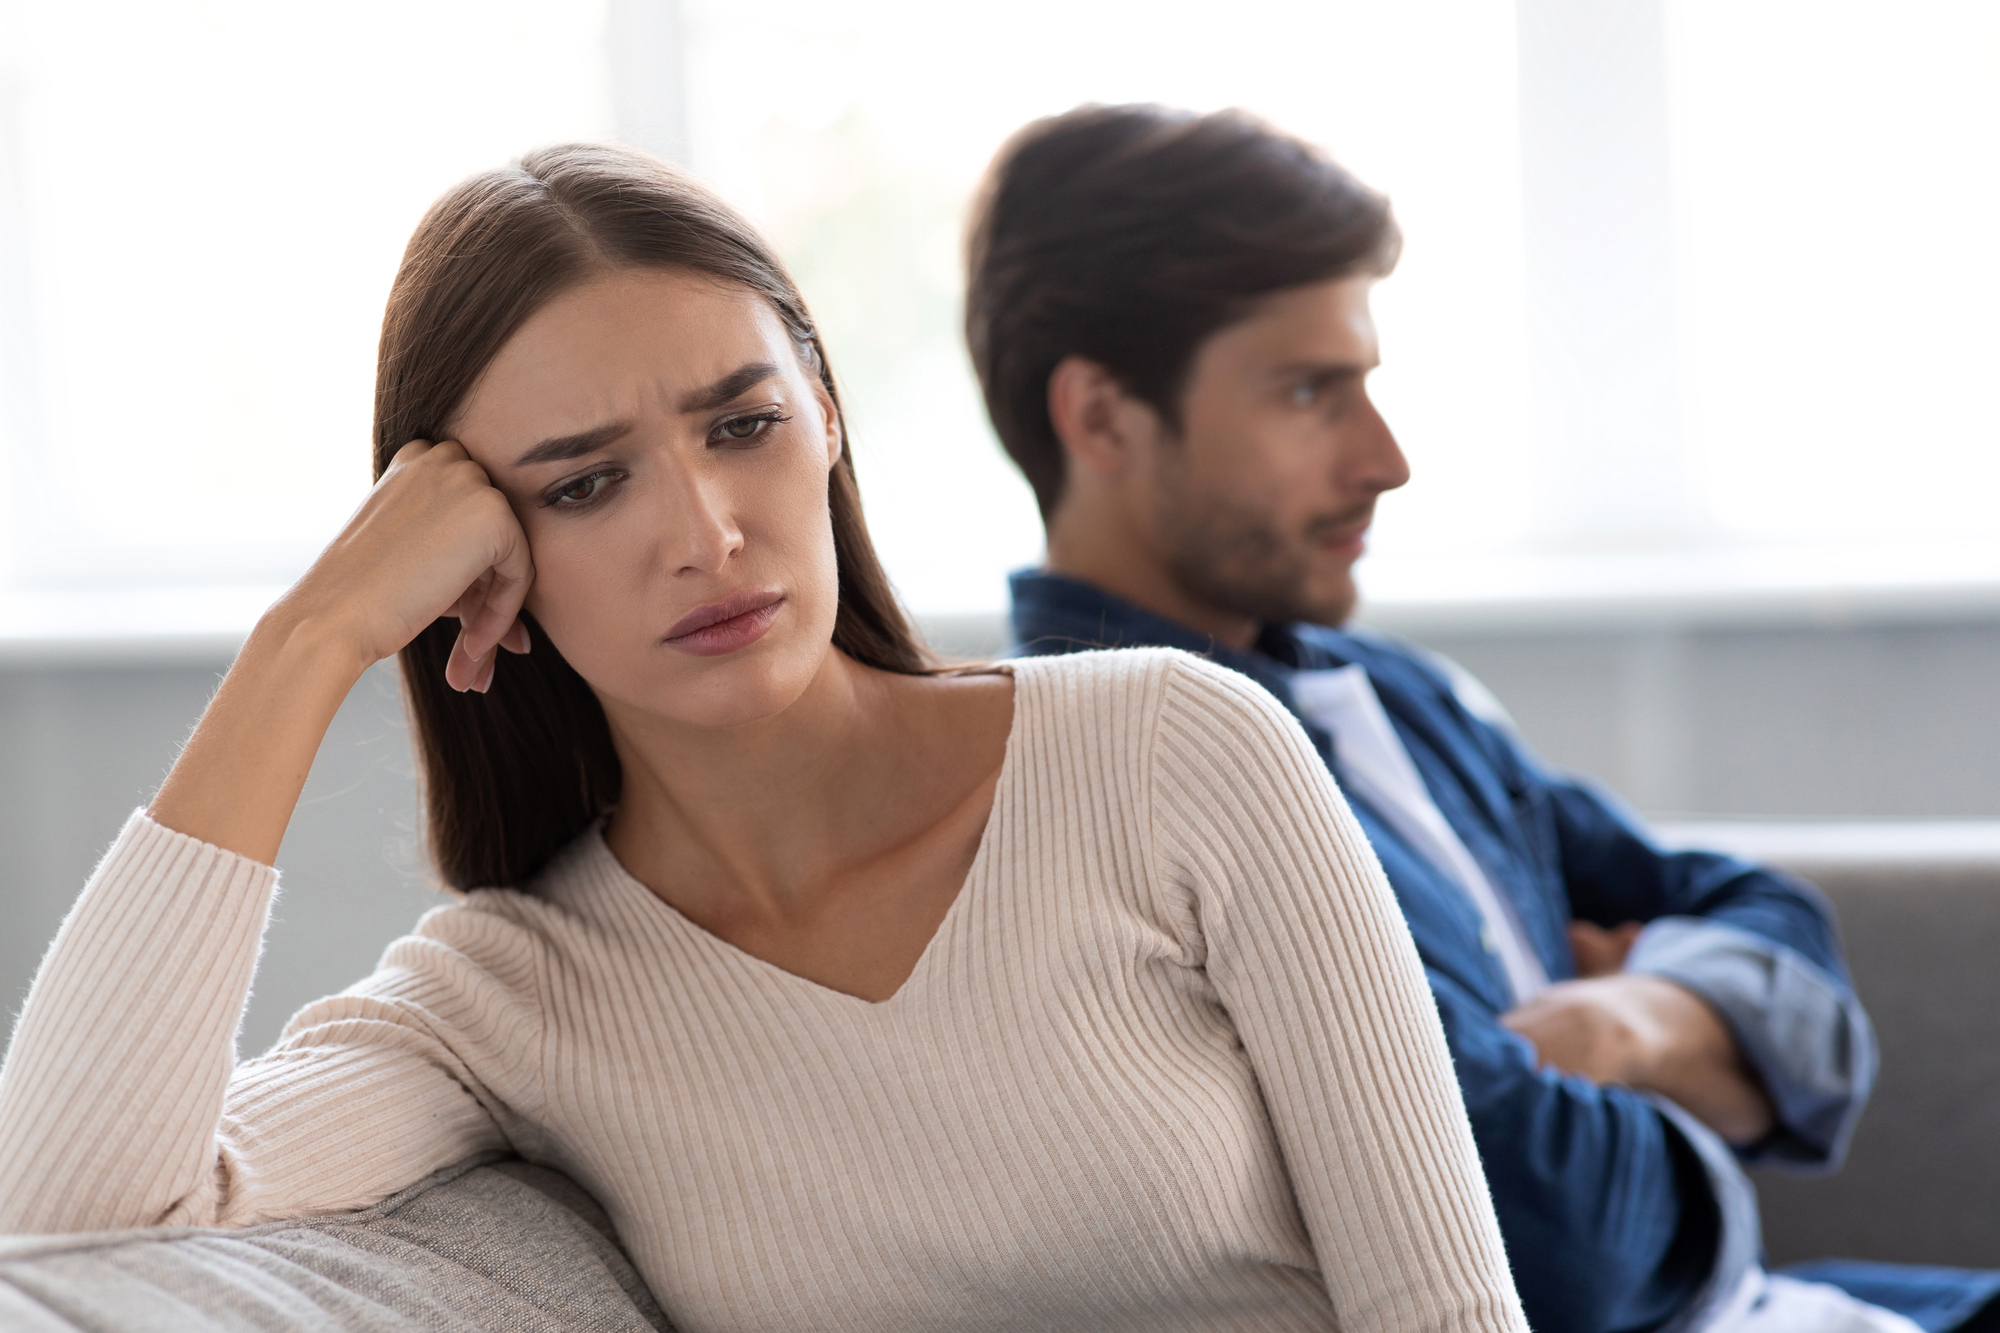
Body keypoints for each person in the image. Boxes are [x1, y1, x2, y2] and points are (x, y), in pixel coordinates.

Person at [0, 143, 1527, 1333]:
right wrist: (309, 641)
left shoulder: (1174, 751)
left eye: (742, 424)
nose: (709, 535)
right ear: (480, 558)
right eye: (585, 484)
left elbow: (1446, 1307)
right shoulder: (510, 998)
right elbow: (69, 1208)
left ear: (828, 413)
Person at [968, 103, 2000, 1333]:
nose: (1385, 457)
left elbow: (1776, 931)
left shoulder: (1390, 691)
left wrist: (1619, 1026)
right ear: (1099, 417)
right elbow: (1561, 1247)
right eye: (1310, 392)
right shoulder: (1104, 786)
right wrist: (1705, 1064)